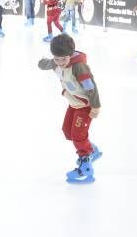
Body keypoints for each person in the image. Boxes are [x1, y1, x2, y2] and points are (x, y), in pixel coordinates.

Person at [38, 34, 102, 184]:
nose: (60, 63)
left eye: (63, 59)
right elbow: (45, 64)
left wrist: (96, 106)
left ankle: (86, 167)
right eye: (57, 59)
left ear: (71, 55)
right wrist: (43, 63)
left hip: (85, 105)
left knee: (78, 135)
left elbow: (91, 88)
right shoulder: (56, 62)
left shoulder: (79, 67)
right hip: (73, 103)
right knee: (68, 131)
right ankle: (91, 150)